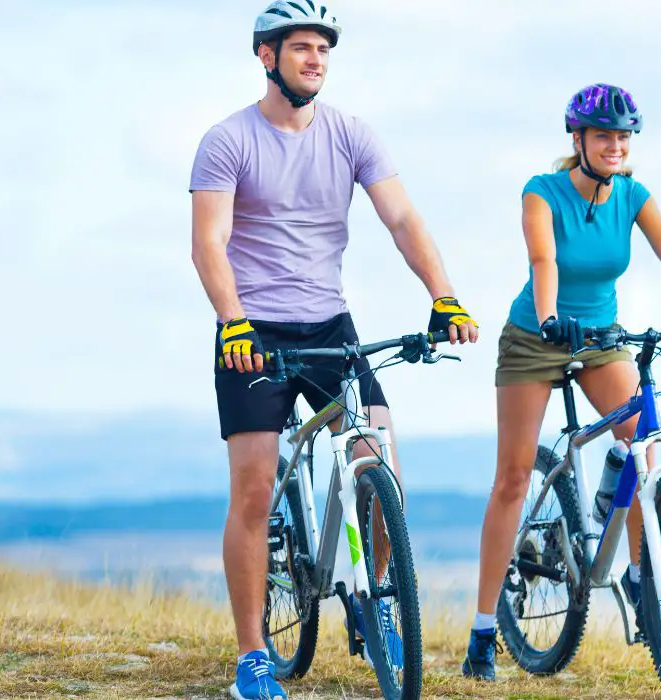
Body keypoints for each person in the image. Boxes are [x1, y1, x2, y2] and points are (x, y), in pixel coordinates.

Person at [188, 3, 478, 698]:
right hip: (252, 329)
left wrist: (443, 294)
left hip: (329, 328)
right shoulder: (228, 140)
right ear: (267, 57)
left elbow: (402, 217)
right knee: (255, 492)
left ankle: (378, 598)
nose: (315, 59)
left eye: (323, 48)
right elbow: (209, 243)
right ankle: (254, 658)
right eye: (301, 48)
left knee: (381, 464)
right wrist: (232, 321)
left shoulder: (351, 134)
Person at [460, 82, 661, 680]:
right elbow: (544, 260)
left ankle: (640, 576)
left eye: (623, 137)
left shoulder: (632, 195)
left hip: (600, 336)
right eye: (604, 136)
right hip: (535, 336)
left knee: (643, 441)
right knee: (514, 478)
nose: (616, 145)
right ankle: (484, 632)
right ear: (578, 140)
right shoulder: (541, 192)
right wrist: (548, 317)